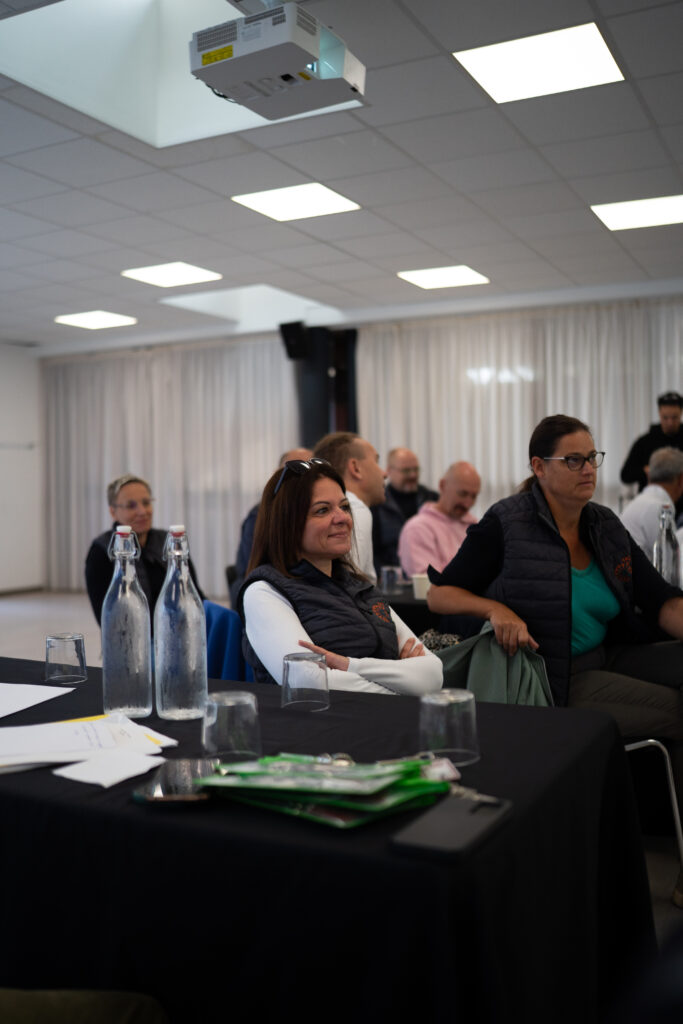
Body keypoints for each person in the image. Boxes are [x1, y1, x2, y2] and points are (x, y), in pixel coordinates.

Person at [237, 457, 443, 695]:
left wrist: (349, 665)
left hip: (384, 716)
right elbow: (308, 681)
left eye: (344, 507)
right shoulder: (264, 592)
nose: (343, 518)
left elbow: (433, 673)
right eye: (322, 510)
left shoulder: (361, 588)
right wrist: (402, 681)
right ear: (287, 523)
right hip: (319, 719)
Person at [85, 473, 204, 626]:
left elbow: (195, 597)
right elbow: (106, 618)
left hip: (176, 632)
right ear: (113, 512)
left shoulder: (168, 541)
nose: (142, 511)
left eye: (146, 502)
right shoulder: (102, 551)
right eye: (131, 505)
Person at [230, 447, 312, 605]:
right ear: (278, 474)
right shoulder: (261, 515)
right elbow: (255, 570)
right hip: (263, 592)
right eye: (297, 469)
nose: (305, 477)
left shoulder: (318, 512)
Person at [312, 431, 387, 583]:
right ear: (355, 468)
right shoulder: (354, 509)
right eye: (376, 461)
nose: (384, 473)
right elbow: (348, 585)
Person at [398, 461, 480, 576]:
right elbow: (428, 581)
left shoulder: (475, 526)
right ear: (442, 485)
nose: (468, 503)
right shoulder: (417, 529)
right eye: (463, 494)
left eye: (473, 496)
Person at [371, 447, 438, 573]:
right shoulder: (376, 503)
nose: (413, 475)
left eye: (416, 469)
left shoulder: (433, 499)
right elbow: (372, 550)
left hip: (428, 575)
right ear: (389, 471)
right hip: (391, 578)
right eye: (406, 471)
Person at [621, 391, 683, 515]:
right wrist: (646, 471)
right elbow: (625, 475)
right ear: (659, 414)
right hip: (652, 508)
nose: (670, 422)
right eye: (665, 418)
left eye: (674, 417)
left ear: (681, 413)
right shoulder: (645, 442)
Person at [621, 447, 683, 560]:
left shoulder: (640, 503)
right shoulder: (660, 510)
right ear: (681, 479)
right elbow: (670, 563)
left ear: (648, 475)